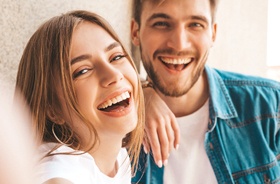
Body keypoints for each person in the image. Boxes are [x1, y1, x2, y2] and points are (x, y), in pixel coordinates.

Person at [130, 0, 280, 183]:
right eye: (161, 23)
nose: (179, 45)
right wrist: (137, 94)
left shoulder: (271, 107)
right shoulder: (118, 127)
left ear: (213, 34)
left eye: (195, 25)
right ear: (135, 32)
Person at [15, 10, 144, 184]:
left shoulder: (118, 159)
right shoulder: (58, 173)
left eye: (116, 57)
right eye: (83, 71)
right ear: (52, 109)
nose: (114, 75)